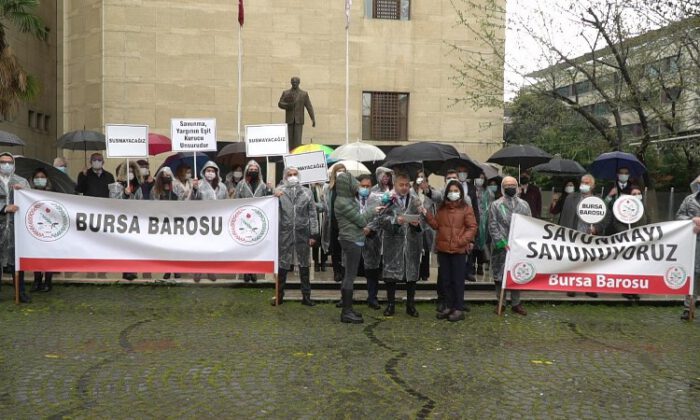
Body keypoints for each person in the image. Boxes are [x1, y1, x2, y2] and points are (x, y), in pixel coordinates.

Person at [423, 180, 477, 322]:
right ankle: (448, 306)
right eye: (451, 191)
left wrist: (462, 241)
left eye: (456, 190)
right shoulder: (442, 208)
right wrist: (426, 214)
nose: (453, 193)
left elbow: (472, 227)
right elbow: (436, 225)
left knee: (458, 281)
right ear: (446, 193)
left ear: (460, 192)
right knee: (445, 280)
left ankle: (458, 308)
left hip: (458, 251)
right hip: (443, 250)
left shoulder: (466, 208)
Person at [379, 172, 423, 318]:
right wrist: (394, 222)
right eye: (401, 185)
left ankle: (410, 304)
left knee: (411, 273)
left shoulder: (415, 199)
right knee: (391, 274)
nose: (404, 188)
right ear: (395, 184)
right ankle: (391, 304)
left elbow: (423, 219)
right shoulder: (387, 199)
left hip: (411, 242)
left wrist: (417, 224)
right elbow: (381, 219)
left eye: (407, 185)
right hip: (393, 241)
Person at [273, 166, 319, 306]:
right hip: (284, 233)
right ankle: (279, 295)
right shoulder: (280, 192)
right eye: (289, 174)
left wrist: (313, 234)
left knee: (304, 264)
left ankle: (306, 297)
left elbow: (312, 214)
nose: (292, 176)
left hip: (303, 233)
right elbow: (273, 212)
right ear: (285, 177)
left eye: (295, 174)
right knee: (283, 263)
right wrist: (273, 195)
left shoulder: (306, 192)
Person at [559, 173, 610, 298]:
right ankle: (571, 287)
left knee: (590, 263)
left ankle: (589, 287)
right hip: (573, 235)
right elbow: (564, 216)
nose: (584, 185)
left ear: (593, 186)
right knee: (572, 261)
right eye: (583, 182)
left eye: (587, 183)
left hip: (590, 237)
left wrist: (596, 229)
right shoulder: (571, 198)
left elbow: (607, 218)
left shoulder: (599, 201)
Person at [488, 176, 530, 315]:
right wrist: (501, 242)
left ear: (517, 186)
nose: (510, 187)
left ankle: (516, 303)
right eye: (507, 185)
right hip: (501, 246)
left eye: (512, 184)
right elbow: (492, 225)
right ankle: (501, 302)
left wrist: (523, 242)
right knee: (499, 275)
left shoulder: (524, 205)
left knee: (517, 273)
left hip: (518, 246)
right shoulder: (496, 205)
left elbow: (529, 224)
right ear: (502, 187)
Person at [334, 171, 372, 324]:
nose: (356, 185)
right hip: (351, 240)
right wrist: (373, 211)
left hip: (352, 239)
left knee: (350, 274)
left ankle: (348, 308)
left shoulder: (347, 199)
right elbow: (362, 220)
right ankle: (346, 312)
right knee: (349, 275)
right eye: (352, 182)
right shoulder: (343, 202)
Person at [234, 160, 272, 283]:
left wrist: (270, 190)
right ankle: (246, 271)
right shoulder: (241, 185)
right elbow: (235, 200)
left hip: (258, 221)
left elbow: (269, 200)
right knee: (245, 246)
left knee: (256, 246)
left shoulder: (263, 185)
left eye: (256, 169)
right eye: (251, 169)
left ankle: (254, 270)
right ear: (247, 170)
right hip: (243, 220)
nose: (253, 171)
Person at [0, 153, 31, 303]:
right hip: (0, 226)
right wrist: (4, 207)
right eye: (2, 162)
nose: (6, 165)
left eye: (9, 162)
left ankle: (20, 292)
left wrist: (23, 191)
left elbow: (32, 203)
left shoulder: (21, 181)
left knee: (16, 262)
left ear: (13, 164)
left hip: (16, 228)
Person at [191, 161, 228, 282]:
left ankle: (210, 270)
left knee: (212, 248)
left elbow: (227, 203)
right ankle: (197, 271)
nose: (210, 173)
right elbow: (192, 202)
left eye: (212, 171)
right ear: (204, 172)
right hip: (201, 222)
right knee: (199, 248)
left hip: (216, 221)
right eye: (208, 171)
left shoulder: (222, 186)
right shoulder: (199, 185)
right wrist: (195, 189)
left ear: (216, 172)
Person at [111, 161, 144, 281]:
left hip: (135, 221)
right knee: (124, 247)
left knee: (134, 247)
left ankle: (132, 269)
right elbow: (113, 201)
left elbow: (141, 202)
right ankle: (126, 270)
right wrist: (124, 194)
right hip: (122, 220)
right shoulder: (116, 186)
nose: (130, 174)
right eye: (128, 171)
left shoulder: (138, 188)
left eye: (132, 171)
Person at [150, 167, 182, 282]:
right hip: (161, 223)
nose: (167, 177)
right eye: (164, 175)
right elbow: (152, 205)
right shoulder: (155, 190)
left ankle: (177, 270)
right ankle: (167, 269)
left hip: (174, 222)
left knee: (175, 247)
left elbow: (182, 201)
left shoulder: (176, 187)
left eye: (169, 174)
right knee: (165, 248)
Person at [675, 175, 700, 321]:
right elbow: (679, 216)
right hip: (694, 244)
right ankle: (688, 308)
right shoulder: (689, 200)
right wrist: (692, 221)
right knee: (694, 275)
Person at [357, 174, 383, 309]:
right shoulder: (351, 199)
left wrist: (369, 229)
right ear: (358, 186)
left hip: (372, 238)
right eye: (363, 186)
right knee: (349, 269)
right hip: (354, 238)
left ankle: (372, 298)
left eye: (368, 186)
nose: (365, 188)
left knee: (372, 270)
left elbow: (379, 217)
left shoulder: (376, 200)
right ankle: (345, 298)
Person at [29, 168, 56, 292]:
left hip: (50, 229)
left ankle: (48, 281)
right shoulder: (28, 193)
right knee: (36, 254)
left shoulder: (53, 192)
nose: (40, 179)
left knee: (49, 254)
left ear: (47, 179)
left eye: (42, 177)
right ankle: (37, 280)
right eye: (37, 177)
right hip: (34, 228)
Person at [321, 164, 347, 285]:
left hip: (346, 224)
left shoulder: (349, 187)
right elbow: (324, 206)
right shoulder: (328, 188)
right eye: (339, 171)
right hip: (333, 223)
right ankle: (337, 272)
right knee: (335, 249)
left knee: (345, 249)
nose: (341, 173)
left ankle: (345, 271)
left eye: (343, 171)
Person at [278, 76, 315, 150]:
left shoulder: (304, 94)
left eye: (296, 82)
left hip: (299, 120)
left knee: (297, 141)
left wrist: (313, 118)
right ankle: (289, 154)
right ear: (291, 83)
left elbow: (309, 107)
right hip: (289, 120)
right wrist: (288, 105)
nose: (294, 83)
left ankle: (296, 155)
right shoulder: (286, 93)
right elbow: (280, 104)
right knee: (289, 140)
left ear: (299, 83)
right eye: (293, 82)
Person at [413, 170, 438, 282]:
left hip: (427, 226)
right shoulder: (412, 192)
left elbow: (434, 208)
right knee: (415, 250)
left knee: (426, 250)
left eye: (423, 178)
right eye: (419, 178)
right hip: (415, 226)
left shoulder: (431, 193)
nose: (421, 180)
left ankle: (425, 273)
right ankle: (415, 272)